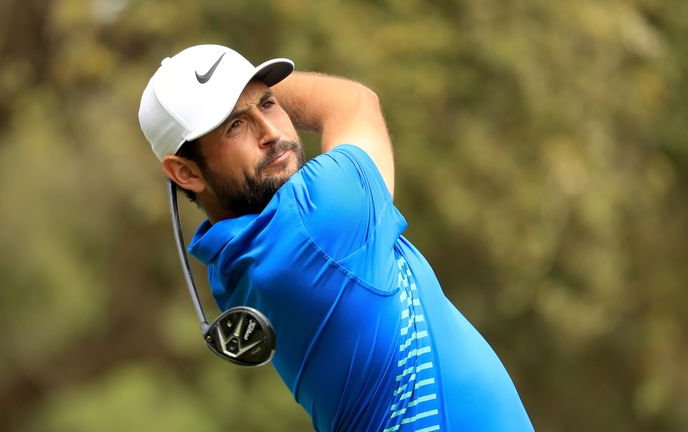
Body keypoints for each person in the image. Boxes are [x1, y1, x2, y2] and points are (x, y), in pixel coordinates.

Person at [138, 44, 533, 432]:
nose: (272, 133)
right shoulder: (317, 221)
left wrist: (237, 88)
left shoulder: (229, 265)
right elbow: (352, 102)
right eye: (235, 125)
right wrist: (252, 82)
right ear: (186, 173)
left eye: (268, 103)